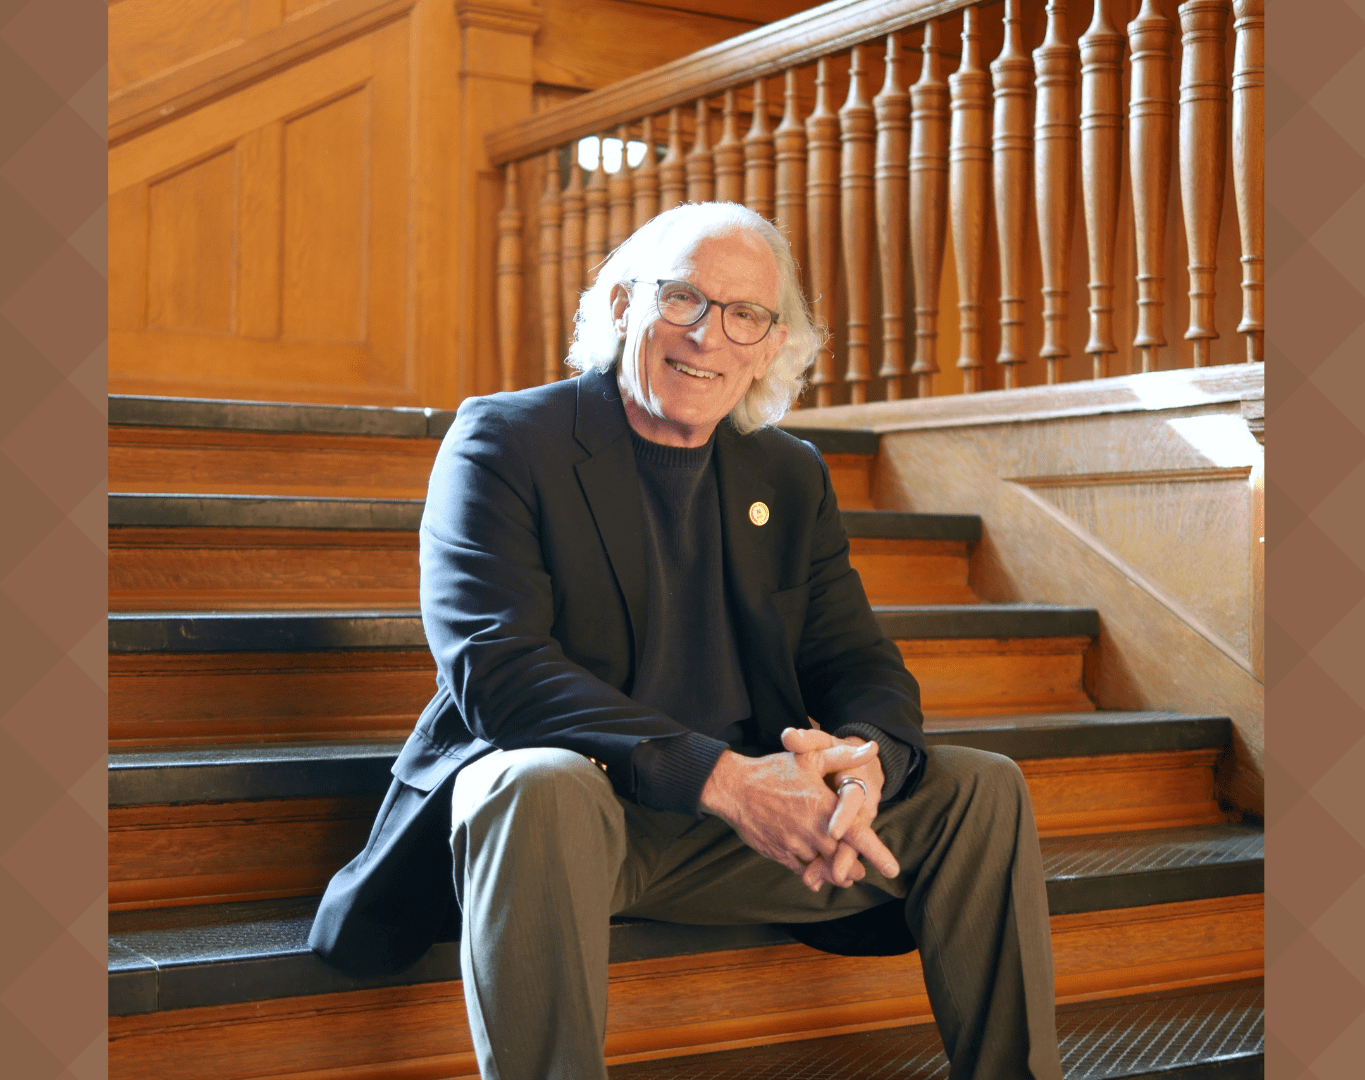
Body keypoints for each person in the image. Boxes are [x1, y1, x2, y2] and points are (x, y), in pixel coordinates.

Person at [310, 202, 1059, 1080]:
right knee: (535, 780)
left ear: (770, 345)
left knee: (982, 789)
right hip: (573, 827)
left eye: (745, 315)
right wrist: (724, 779)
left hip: (737, 838)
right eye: (683, 301)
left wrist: (864, 766)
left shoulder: (788, 473)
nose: (709, 337)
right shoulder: (506, 439)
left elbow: (856, 659)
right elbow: (497, 671)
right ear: (624, 306)